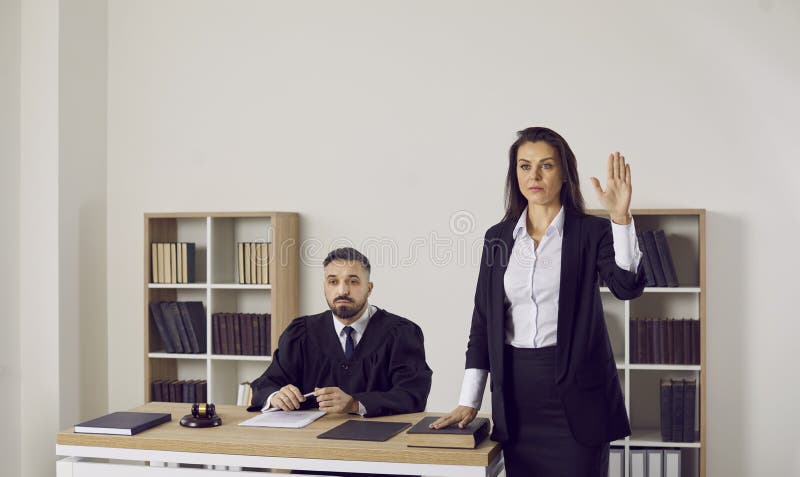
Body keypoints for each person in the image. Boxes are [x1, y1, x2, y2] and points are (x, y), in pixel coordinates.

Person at [432, 127, 646, 476]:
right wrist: (468, 400)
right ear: (514, 173)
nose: (534, 175)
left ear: (564, 173)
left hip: (577, 400)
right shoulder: (498, 238)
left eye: (546, 166)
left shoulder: (591, 233)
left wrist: (620, 219)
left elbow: (627, 287)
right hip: (517, 397)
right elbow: (483, 322)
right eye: (524, 166)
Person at [248, 247, 432, 419]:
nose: (342, 291)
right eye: (333, 282)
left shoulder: (400, 333)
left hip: (380, 442)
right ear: (325, 287)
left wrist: (355, 404)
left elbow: (413, 394)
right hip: (309, 441)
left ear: (369, 288)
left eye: (353, 282)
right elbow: (266, 383)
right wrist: (275, 396)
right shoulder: (301, 333)